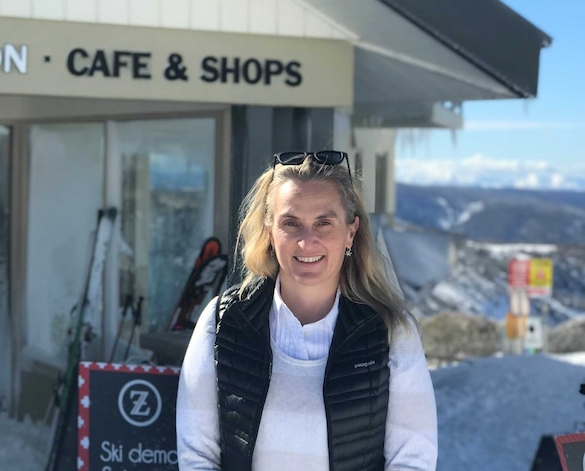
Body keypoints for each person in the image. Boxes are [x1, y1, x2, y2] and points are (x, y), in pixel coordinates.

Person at [176, 150, 437, 470]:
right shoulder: (223, 323)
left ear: (350, 232)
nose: (306, 241)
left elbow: (412, 461)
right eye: (291, 223)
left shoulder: (391, 332)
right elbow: (197, 458)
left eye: (324, 223)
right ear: (270, 231)